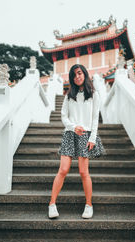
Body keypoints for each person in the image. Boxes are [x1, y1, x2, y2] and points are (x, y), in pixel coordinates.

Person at [48, 64, 105, 219]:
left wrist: (92, 137)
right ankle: (52, 204)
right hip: (70, 134)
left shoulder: (94, 94)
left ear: (85, 74)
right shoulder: (69, 95)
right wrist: (73, 127)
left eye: (79, 73)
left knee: (83, 172)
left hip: (86, 135)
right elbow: (63, 116)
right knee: (63, 170)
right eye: (74, 75)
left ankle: (89, 205)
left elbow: (95, 118)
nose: (77, 77)